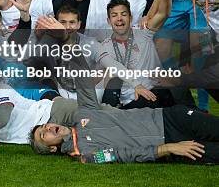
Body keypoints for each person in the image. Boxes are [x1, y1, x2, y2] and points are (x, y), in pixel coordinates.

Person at [29, 46, 219, 164]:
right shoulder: (89, 156)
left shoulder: (82, 115)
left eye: (44, 125)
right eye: (43, 134)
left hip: (171, 118)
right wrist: (170, 148)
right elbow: (125, 155)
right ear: (52, 149)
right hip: (171, 146)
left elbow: (84, 85)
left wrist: (72, 49)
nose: (47, 126)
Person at [95, 0, 174, 109]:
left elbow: (163, 14)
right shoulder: (104, 46)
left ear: (131, 18)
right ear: (109, 21)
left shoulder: (144, 33)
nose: (119, 18)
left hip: (152, 93)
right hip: (127, 100)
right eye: (114, 15)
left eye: (123, 14)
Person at [0, 73, 79, 146]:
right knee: (82, 144)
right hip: (42, 135)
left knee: (95, 115)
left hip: (53, 112)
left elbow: (2, 118)